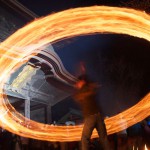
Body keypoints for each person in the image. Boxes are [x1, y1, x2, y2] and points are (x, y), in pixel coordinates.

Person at [73, 74, 110, 150]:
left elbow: (77, 97)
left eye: (78, 83)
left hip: (90, 116)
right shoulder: (90, 87)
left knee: (84, 138)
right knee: (103, 138)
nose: (77, 84)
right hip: (99, 115)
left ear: (82, 82)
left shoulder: (84, 89)